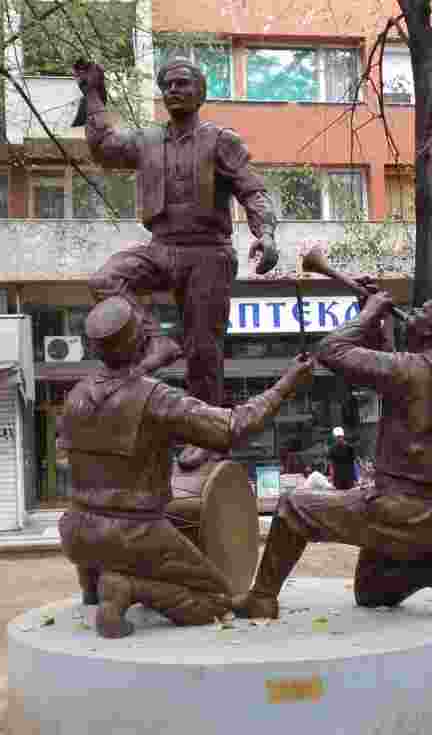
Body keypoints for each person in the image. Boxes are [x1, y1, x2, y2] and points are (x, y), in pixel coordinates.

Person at [57, 296, 313, 638]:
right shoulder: (156, 398)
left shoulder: (76, 395)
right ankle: (128, 588)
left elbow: (86, 431)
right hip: (131, 533)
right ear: (140, 342)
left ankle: (96, 585)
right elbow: (232, 427)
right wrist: (288, 383)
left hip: (77, 532)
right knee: (217, 599)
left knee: (166, 525)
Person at [75, 57, 279, 472]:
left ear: (200, 92)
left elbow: (252, 190)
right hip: (162, 246)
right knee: (107, 280)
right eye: (167, 84)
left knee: (204, 349)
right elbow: (105, 149)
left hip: (208, 252)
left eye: (183, 83)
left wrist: (266, 234)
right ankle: (157, 341)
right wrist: (94, 95)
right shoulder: (149, 140)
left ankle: (207, 434)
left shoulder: (221, 140)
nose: (173, 90)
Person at [236, 287, 432, 621]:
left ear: (431, 329)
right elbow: (396, 376)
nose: (413, 313)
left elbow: (330, 350)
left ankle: (261, 598)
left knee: (293, 507)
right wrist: (379, 326)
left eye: (422, 312)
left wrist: (366, 315)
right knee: (370, 593)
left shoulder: (409, 370)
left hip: (397, 509)